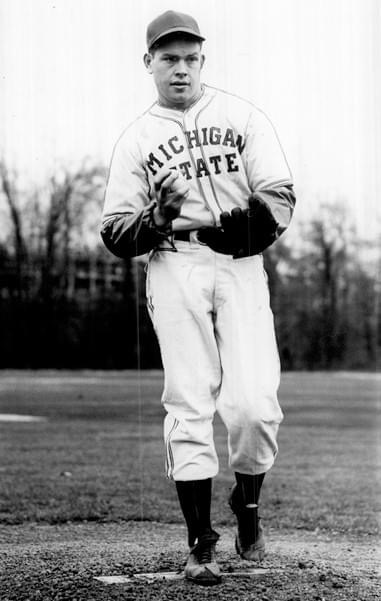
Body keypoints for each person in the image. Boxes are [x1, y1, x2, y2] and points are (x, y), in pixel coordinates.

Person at [101, 9, 296, 586]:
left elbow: (281, 194)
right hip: (174, 265)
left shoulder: (242, 116)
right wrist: (154, 218)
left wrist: (248, 225)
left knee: (256, 405)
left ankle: (248, 505)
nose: (180, 69)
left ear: (202, 61)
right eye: (168, 59)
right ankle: (200, 541)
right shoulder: (136, 138)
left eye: (189, 58)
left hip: (240, 266)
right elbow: (114, 230)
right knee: (189, 402)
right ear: (149, 64)